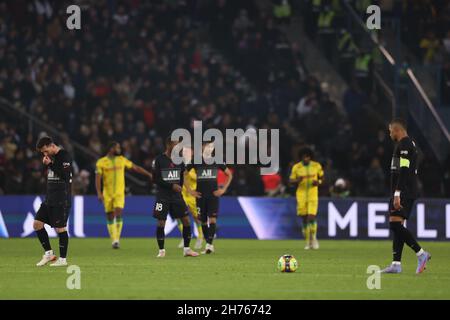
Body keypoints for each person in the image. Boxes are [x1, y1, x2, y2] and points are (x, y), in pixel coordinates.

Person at [380, 118, 431, 274]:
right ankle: (396, 264)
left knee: (394, 225)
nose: (389, 133)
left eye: (390, 130)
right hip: (405, 190)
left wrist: (397, 193)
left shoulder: (405, 145)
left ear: (397, 130)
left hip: (404, 191)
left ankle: (421, 254)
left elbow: (403, 171)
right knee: (397, 226)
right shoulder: (408, 145)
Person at [95, 142, 152, 249]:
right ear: (111, 149)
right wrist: (98, 192)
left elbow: (135, 168)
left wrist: (148, 174)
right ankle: (114, 239)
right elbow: (98, 178)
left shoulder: (121, 159)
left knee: (119, 213)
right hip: (107, 193)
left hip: (119, 193)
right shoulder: (101, 162)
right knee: (110, 216)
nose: (119, 149)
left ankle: (116, 240)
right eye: (117, 148)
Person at [152, 137, 199, 258]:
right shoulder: (159, 160)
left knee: (186, 221)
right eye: (176, 145)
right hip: (163, 197)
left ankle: (187, 249)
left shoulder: (180, 160)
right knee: (161, 223)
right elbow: (155, 179)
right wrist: (172, 186)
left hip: (177, 197)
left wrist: (179, 188)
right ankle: (161, 250)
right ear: (168, 145)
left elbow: (182, 176)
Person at [184, 141, 233, 254]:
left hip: (213, 195)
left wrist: (223, 189)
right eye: (208, 146)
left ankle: (209, 245)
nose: (210, 148)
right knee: (203, 221)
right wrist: (190, 190)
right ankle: (208, 244)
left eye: (212, 146)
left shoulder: (217, 160)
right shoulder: (196, 160)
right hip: (200, 195)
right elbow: (184, 173)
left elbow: (229, 174)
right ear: (202, 147)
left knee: (212, 219)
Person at [34, 136, 73, 267]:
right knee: (37, 224)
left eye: (46, 151)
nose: (45, 154)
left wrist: (50, 164)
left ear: (51, 145)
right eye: (42, 152)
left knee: (60, 228)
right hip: (49, 198)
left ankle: (62, 259)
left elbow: (65, 176)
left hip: (61, 199)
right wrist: (49, 164)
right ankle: (49, 253)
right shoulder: (52, 158)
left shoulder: (64, 155)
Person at [289, 147, 324, 250]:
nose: (306, 159)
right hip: (301, 195)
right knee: (304, 220)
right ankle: (308, 242)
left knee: (311, 217)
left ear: (310, 157)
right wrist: (297, 181)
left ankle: (314, 238)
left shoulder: (316, 166)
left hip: (313, 194)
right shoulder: (297, 167)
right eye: (304, 157)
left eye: (308, 156)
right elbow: (291, 181)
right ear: (301, 157)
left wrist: (318, 182)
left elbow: (322, 178)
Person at [177, 146, 204, 250]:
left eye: (187, 151)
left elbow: (200, 177)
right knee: (180, 216)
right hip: (182, 194)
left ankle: (200, 237)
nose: (185, 152)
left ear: (192, 152)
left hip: (192, 194)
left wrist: (189, 175)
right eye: (183, 151)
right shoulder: (180, 164)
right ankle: (185, 237)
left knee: (197, 217)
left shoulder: (195, 164)